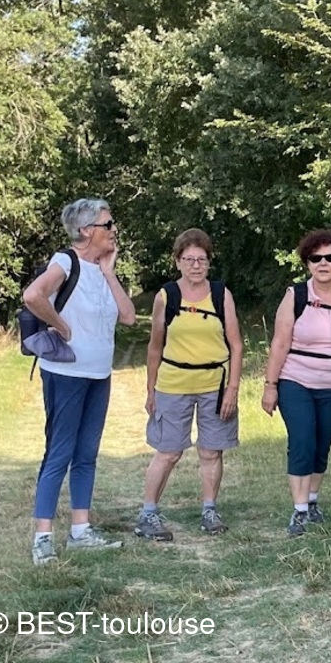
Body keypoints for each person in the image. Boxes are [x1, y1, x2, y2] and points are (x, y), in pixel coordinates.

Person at [21, 199, 137, 565]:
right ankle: (43, 538)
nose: (114, 230)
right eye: (108, 224)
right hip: (66, 375)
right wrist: (61, 325)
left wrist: (109, 272)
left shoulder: (101, 270)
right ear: (85, 230)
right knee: (60, 452)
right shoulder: (65, 262)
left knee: (86, 453)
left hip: (99, 375)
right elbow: (32, 295)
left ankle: (80, 531)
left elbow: (129, 317)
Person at [136, 229, 243, 541]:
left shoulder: (221, 295)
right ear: (177, 261)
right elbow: (155, 347)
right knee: (168, 452)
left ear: (209, 262)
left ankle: (209, 510)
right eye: (189, 259)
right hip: (173, 384)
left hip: (215, 385)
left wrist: (233, 389)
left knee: (211, 451)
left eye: (202, 259)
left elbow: (236, 345)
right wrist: (150, 389)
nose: (196, 265)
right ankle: (148, 513)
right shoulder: (166, 296)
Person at [261, 230, 331, 537]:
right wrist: (270, 385)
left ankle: (312, 500)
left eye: (330, 258)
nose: (323, 263)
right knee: (302, 440)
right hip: (296, 381)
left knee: (322, 445)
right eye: (315, 258)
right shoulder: (295, 296)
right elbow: (280, 343)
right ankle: (299, 511)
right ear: (307, 263)